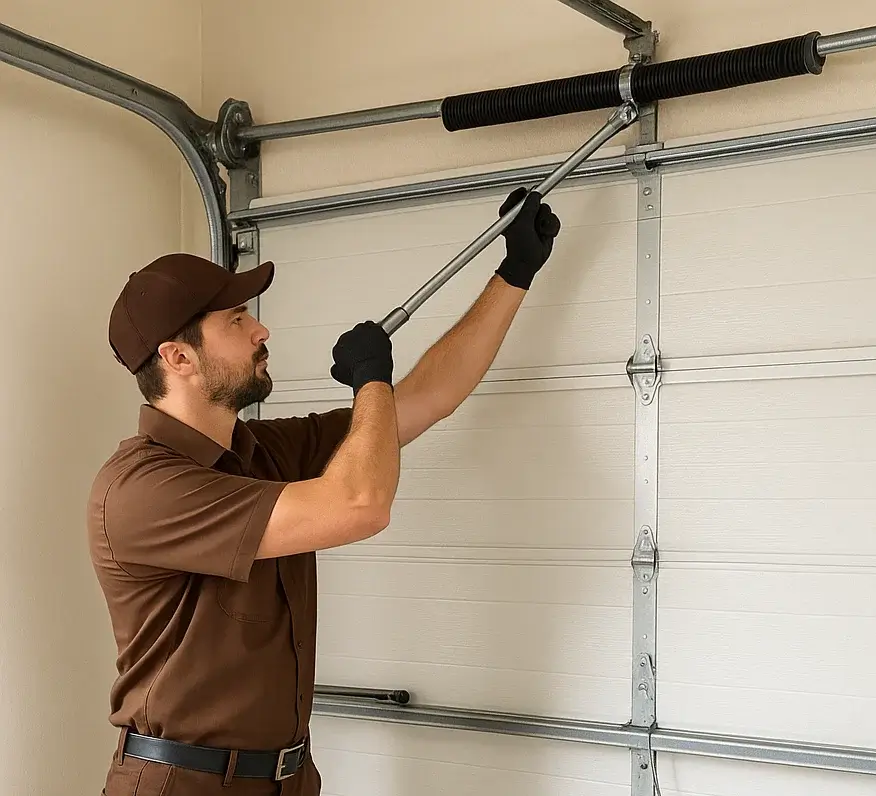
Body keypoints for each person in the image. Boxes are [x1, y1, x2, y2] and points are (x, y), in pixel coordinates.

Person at [87, 188, 561, 795]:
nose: (261, 329)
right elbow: (360, 503)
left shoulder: (264, 453)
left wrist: (514, 273)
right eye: (236, 320)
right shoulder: (142, 489)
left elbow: (426, 399)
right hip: (183, 784)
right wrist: (370, 379)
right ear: (178, 357)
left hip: (286, 778)